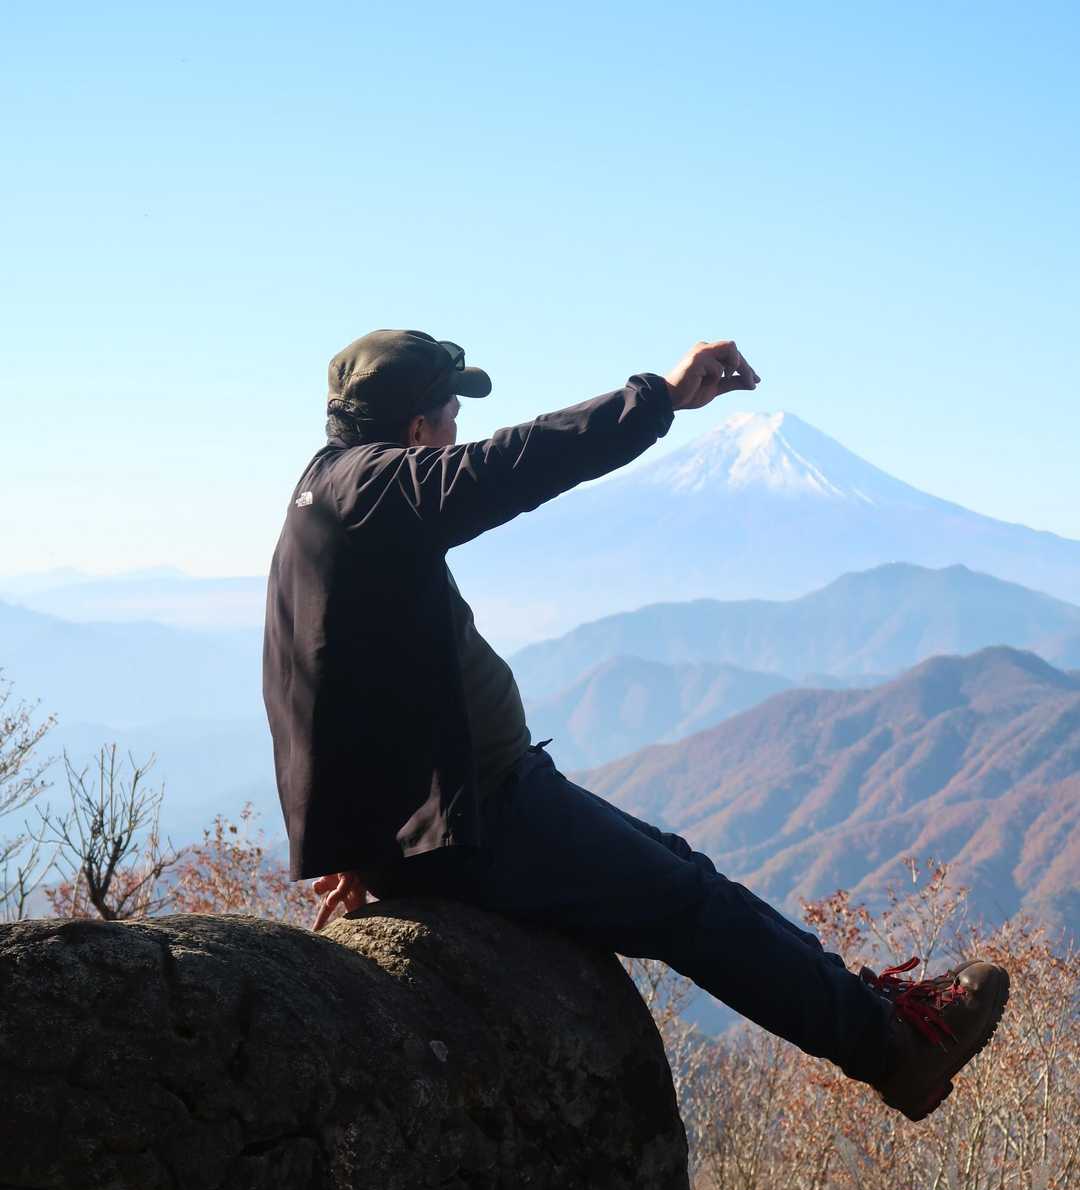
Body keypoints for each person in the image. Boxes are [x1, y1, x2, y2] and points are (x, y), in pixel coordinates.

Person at [262, 329, 1009, 1121]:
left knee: (686, 876)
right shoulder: (372, 490)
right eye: (450, 416)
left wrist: (353, 841)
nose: (458, 434)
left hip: (487, 798)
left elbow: (311, 673)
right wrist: (657, 398)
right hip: (485, 818)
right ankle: (892, 1050)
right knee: (691, 908)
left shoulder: (330, 493)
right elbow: (515, 462)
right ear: (418, 429)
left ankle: (880, 1018)